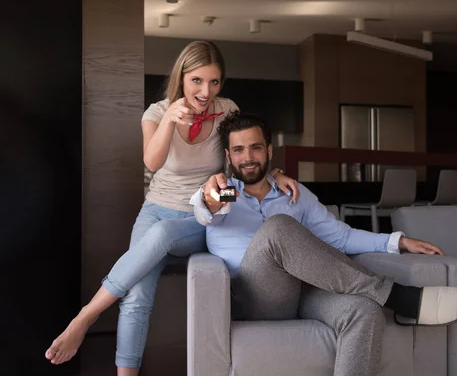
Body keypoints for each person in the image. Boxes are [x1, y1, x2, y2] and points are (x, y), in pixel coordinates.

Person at [45, 41, 300, 374]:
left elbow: (243, 157)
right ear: (182, 77)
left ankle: (86, 315)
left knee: (167, 231)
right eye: (197, 80)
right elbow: (152, 162)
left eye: (214, 81)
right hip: (155, 208)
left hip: (207, 212)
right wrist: (168, 121)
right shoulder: (155, 113)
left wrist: (275, 172)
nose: (206, 90)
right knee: (136, 295)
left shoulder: (228, 109)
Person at [191, 111, 457, 376]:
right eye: (239, 150)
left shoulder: (294, 194)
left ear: (269, 150)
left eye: (255, 148)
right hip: (255, 298)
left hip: (302, 292)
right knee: (277, 226)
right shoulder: (226, 192)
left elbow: (340, 236)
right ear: (228, 156)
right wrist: (212, 197)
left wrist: (397, 241)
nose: (248, 157)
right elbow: (207, 206)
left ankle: (383, 298)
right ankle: (396, 296)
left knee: (364, 311)